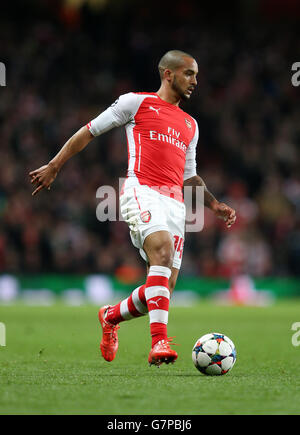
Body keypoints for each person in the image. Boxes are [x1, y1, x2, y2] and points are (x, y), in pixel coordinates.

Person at [29, 50, 236, 367]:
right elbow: (89, 131)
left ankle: (110, 316)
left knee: (163, 286)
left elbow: (189, 176)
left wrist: (214, 203)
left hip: (175, 204)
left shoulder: (190, 125)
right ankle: (159, 342)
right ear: (168, 74)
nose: (195, 80)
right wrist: (55, 165)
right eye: (189, 73)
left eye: (196, 74)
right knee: (162, 253)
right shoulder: (135, 103)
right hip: (141, 190)